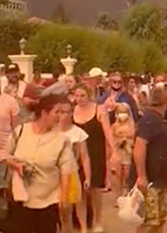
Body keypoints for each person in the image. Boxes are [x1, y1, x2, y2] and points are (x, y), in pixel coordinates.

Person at [3, 93, 77, 233]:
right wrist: (15, 165)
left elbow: (66, 169)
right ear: (44, 113)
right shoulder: (21, 131)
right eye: (57, 112)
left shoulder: (61, 140)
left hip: (48, 201)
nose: (61, 117)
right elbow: (5, 154)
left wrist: (63, 197)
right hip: (21, 199)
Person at [134, 87, 167, 233]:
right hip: (150, 179)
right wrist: (141, 176)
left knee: (160, 218)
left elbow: (166, 148)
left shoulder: (159, 120)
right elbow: (139, 146)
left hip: (160, 179)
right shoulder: (149, 120)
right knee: (150, 221)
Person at [72, 83, 113, 233]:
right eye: (76, 96)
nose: (79, 99)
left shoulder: (99, 110)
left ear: (89, 95)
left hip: (96, 153)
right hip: (77, 156)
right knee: (79, 191)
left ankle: (97, 220)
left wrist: (113, 151)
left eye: (82, 95)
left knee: (95, 190)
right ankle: (83, 225)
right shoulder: (71, 111)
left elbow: (108, 133)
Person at [58, 98, 90, 233]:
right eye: (60, 112)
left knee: (78, 202)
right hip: (54, 173)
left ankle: (83, 228)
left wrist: (88, 177)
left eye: (67, 112)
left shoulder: (77, 132)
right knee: (63, 208)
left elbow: (85, 156)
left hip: (72, 172)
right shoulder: (51, 131)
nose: (64, 115)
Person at [111, 102, 135, 198]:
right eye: (120, 112)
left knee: (127, 174)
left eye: (124, 112)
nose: (122, 114)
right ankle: (118, 195)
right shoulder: (114, 126)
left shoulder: (132, 125)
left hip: (128, 151)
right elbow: (112, 138)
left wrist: (124, 138)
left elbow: (132, 135)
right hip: (118, 151)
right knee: (117, 174)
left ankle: (127, 193)